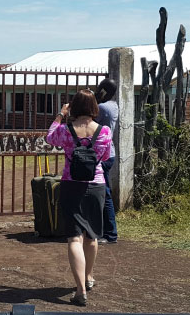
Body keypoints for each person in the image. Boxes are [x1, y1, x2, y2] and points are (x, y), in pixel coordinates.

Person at [46, 89, 112, 307]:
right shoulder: (104, 131)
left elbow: (50, 138)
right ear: (94, 107)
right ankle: (88, 277)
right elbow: (103, 157)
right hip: (96, 185)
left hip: (71, 184)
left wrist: (60, 115)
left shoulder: (65, 129)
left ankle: (80, 290)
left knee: (74, 238)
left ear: (73, 107)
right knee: (91, 237)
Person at [94, 78, 119, 243]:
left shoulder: (102, 107)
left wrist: (95, 98)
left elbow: (89, 122)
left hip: (102, 155)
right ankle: (103, 230)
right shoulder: (114, 105)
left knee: (105, 194)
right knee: (102, 193)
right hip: (110, 153)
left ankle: (110, 234)